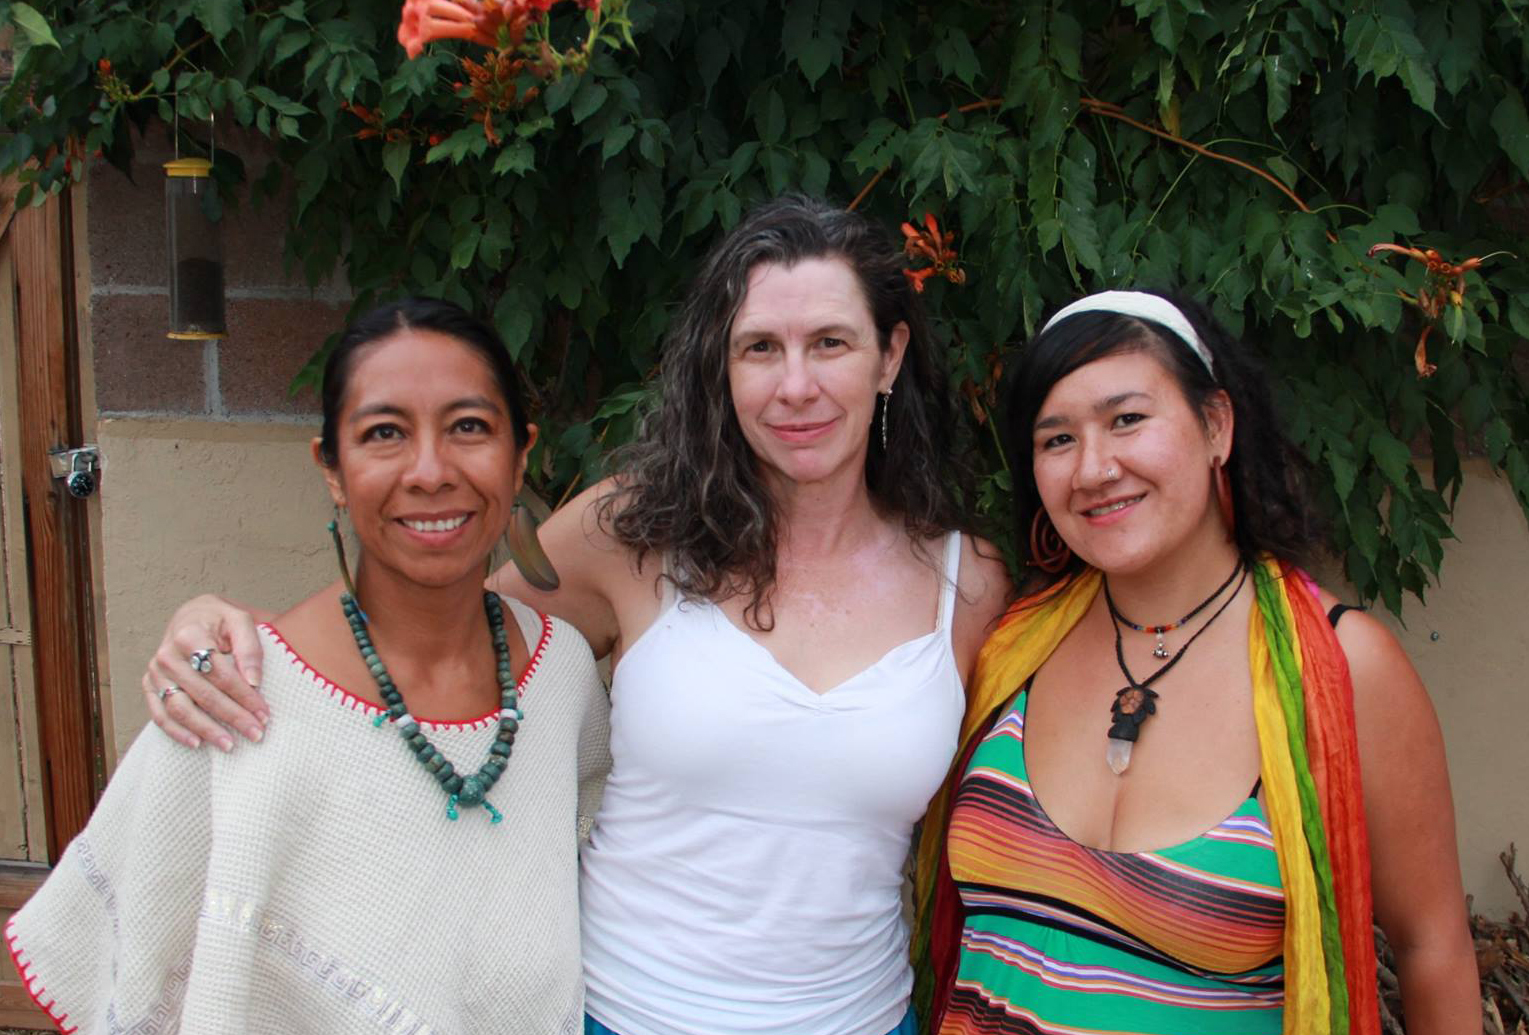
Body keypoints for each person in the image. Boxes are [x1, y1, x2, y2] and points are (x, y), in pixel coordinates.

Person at [136, 196, 1012, 1035]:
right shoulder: (631, 535)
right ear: (721, 367)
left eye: (830, 343)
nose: (795, 385)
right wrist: (229, 626)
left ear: (888, 356)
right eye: (758, 348)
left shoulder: (964, 583)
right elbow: (427, 640)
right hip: (617, 1015)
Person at [7, 298, 611, 1033]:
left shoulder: (560, 674)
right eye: (384, 433)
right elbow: (127, 967)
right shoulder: (230, 695)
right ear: (332, 468)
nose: (430, 471)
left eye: (468, 427)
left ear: (519, 457)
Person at [913, 290, 1479, 1035]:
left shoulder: (1344, 667)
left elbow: (1431, 947)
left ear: (1216, 426)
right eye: (1057, 439)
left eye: (1126, 419)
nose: (1093, 468)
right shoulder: (1011, 648)